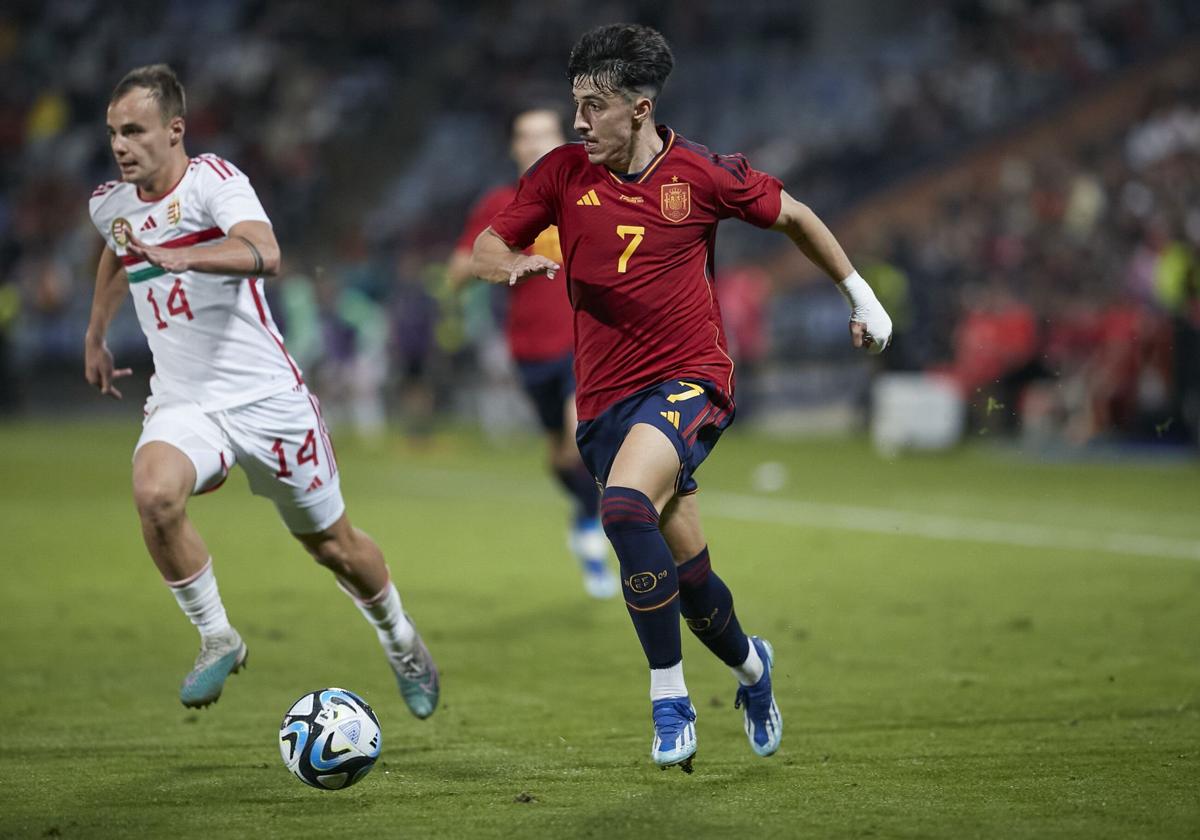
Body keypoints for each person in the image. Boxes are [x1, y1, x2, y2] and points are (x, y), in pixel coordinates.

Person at [471, 24, 892, 771]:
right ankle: (754, 668)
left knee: (624, 507)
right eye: (576, 105)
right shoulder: (563, 175)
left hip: (690, 378)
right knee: (692, 584)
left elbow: (794, 215)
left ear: (638, 108)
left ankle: (669, 699)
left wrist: (859, 295)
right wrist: (514, 266)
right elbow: (487, 246)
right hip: (604, 403)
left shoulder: (700, 173)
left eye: (592, 106)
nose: (578, 123)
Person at [83, 64, 439, 717]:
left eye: (134, 130)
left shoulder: (215, 184)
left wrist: (190, 255)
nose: (120, 145)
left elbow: (266, 251)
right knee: (154, 495)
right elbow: (118, 247)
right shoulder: (111, 201)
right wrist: (97, 332)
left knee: (335, 548)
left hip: (267, 401)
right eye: (112, 132)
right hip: (186, 401)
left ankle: (401, 638)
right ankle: (218, 636)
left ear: (174, 130)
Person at [448, 106, 618, 599]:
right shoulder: (501, 204)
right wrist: (510, 264)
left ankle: (611, 530)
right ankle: (586, 516)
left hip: (585, 342)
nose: (536, 144)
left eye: (545, 134)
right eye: (526, 136)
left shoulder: (591, 192)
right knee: (561, 455)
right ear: (514, 147)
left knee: (581, 433)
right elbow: (460, 271)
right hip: (530, 350)